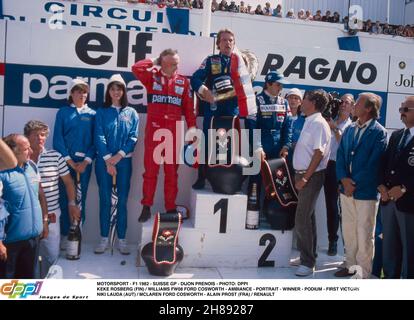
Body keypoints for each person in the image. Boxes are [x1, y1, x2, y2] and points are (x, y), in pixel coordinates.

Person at [132, 49, 196, 222]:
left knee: (171, 173)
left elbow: (190, 111)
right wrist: (155, 60)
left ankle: (170, 208)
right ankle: (146, 206)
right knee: (150, 172)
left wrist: (193, 132)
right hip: (154, 132)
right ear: (164, 63)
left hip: (173, 134)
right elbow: (136, 68)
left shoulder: (183, 82)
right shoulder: (151, 77)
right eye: (173, 63)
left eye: (177, 63)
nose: (176, 66)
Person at [190, 28, 255, 189]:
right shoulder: (211, 60)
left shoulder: (241, 62)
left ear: (234, 44)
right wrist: (204, 91)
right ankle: (202, 177)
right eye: (224, 40)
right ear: (218, 43)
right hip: (213, 108)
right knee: (207, 142)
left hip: (232, 110)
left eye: (230, 40)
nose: (228, 43)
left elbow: (246, 86)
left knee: (230, 143)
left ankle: (231, 179)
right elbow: (195, 79)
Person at [335, 92, 387, 278]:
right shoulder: (349, 129)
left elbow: (374, 164)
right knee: (349, 230)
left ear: (368, 108)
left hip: (365, 192)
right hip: (346, 190)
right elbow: (340, 155)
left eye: (358, 103)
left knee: (364, 233)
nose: (354, 105)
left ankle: (362, 273)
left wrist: (353, 183)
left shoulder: (379, 132)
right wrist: (343, 179)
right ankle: (350, 265)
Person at [24, 120, 80, 276]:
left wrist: (71, 203)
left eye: (42, 135)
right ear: (27, 137)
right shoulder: (19, 158)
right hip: (27, 215)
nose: (40, 138)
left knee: (52, 256)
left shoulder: (55, 156)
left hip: (52, 215)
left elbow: (69, 182)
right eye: (35, 135)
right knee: (28, 256)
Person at [94, 74, 139, 254]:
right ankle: (104, 238)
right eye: (112, 89)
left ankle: (122, 239)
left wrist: (118, 157)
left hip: (124, 162)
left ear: (123, 91)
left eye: (119, 88)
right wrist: (107, 160)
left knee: (121, 201)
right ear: (108, 92)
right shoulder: (101, 112)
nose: (116, 92)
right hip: (103, 163)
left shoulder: (131, 112)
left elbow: (133, 137)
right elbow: (99, 135)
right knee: (105, 200)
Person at [292, 90, 331, 277]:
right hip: (303, 176)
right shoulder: (309, 121)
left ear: (313, 102)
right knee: (308, 218)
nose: (302, 101)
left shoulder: (319, 123)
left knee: (301, 219)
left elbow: (319, 153)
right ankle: (309, 256)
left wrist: (305, 178)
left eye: (305, 99)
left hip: (311, 177)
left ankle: (308, 263)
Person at [53, 79, 96, 247]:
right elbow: (58, 139)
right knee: (65, 199)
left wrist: (85, 162)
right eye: (78, 91)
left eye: (84, 92)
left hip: (84, 165)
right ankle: (65, 235)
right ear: (71, 93)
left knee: (80, 199)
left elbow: (94, 142)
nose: (81, 94)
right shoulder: (63, 112)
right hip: (65, 164)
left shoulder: (92, 114)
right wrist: (69, 161)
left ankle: (78, 233)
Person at [0, 134, 48, 278]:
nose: (31, 152)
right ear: (13, 152)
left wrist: (45, 222)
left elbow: (40, 195)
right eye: (26, 149)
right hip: (10, 245)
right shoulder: (2, 174)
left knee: (29, 287)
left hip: (33, 241)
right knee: (8, 290)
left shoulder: (32, 166)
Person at [379, 96, 414, 278]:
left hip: (409, 204)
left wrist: (404, 188)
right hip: (388, 203)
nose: (401, 113)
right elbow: (384, 164)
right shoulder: (396, 135)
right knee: (389, 250)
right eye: (401, 109)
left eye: (406, 110)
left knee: (409, 252)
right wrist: (382, 186)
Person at [246, 71, 292, 210]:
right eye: (278, 84)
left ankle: (270, 213)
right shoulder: (255, 100)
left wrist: (286, 145)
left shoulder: (284, 102)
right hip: (260, 146)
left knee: (277, 181)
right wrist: (258, 147)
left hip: (277, 147)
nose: (281, 88)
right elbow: (251, 126)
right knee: (255, 180)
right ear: (268, 84)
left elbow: (288, 127)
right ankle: (251, 214)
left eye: (281, 85)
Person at [323, 94, 353, 256]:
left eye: (347, 103)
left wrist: (334, 127)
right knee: (329, 205)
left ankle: (339, 243)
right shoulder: (330, 118)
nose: (342, 105)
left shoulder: (352, 125)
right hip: (323, 163)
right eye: (341, 101)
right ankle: (330, 241)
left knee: (337, 207)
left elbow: (345, 145)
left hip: (338, 167)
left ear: (352, 107)